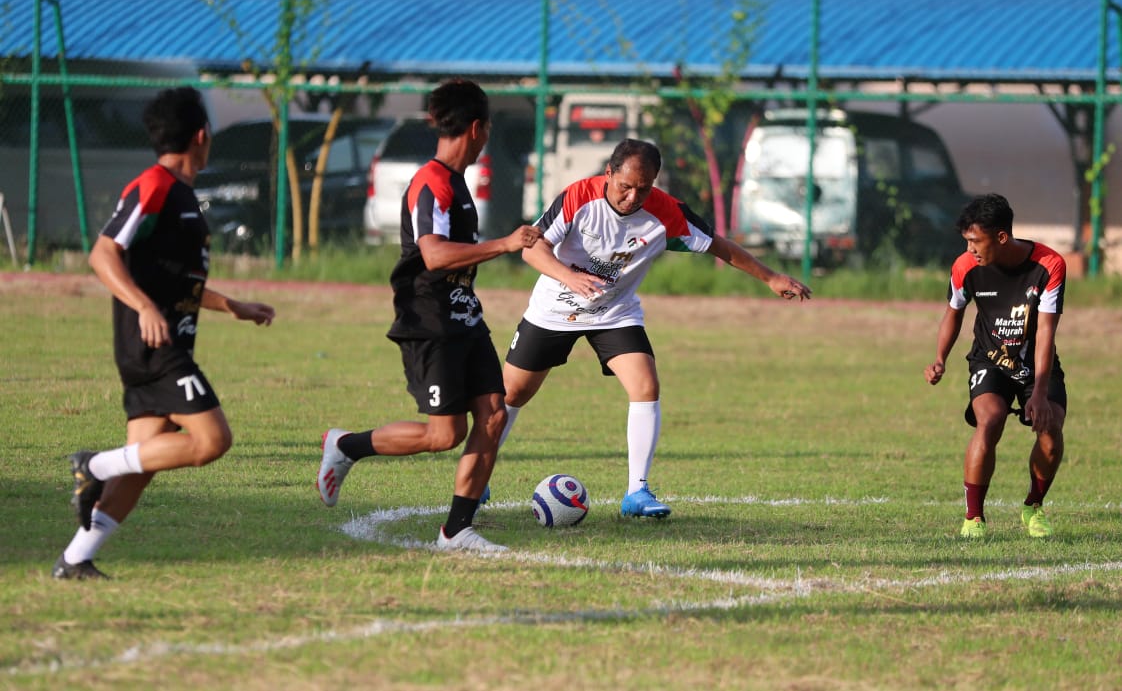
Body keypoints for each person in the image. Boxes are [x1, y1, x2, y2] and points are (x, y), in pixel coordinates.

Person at [493, 138, 812, 519]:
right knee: (513, 393)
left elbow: (719, 246)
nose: (632, 197)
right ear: (608, 174)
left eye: (643, 189)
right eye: (625, 186)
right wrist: (569, 277)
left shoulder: (666, 212)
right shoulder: (578, 197)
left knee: (645, 385)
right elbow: (532, 248)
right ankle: (477, 479)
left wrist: (771, 277)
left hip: (614, 312)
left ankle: (637, 492)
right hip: (554, 310)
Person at [56, 87, 276, 580]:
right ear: (201, 135)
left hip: (158, 343)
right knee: (212, 440)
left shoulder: (179, 193)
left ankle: (74, 559)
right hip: (156, 347)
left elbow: (177, 282)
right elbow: (102, 253)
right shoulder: (154, 185)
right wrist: (142, 307)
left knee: (142, 465)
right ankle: (93, 466)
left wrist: (232, 306)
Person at [315, 79, 543, 552]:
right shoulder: (432, 182)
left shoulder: (457, 183)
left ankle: (456, 531)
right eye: (488, 128)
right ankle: (346, 445)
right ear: (477, 128)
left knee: (493, 416)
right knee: (444, 435)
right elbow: (434, 255)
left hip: (464, 315)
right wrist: (504, 243)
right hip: (429, 319)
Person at [924, 193, 1067, 539]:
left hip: (1036, 363)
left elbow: (1045, 332)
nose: (970, 249)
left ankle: (1033, 506)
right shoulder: (965, 267)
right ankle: (973, 517)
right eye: (966, 241)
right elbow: (953, 313)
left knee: (1050, 432)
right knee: (990, 420)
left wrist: (1040, 395)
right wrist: (940, 358)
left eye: (976, 241)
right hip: (989, 359)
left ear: (1001, 237)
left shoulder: (1049, 265)